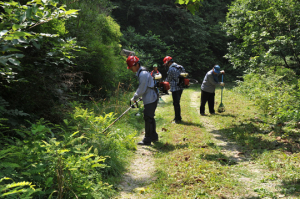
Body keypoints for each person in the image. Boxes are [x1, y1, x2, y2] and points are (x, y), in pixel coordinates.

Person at [126, 55, 159, 145]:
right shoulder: (142, 72)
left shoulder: (143, 74)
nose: (131, 69)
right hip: (150, 97)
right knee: (150, 117)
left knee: (148, 118)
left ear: (136, 65)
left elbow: (141, 89)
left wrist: (134, 97)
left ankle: (147, 140)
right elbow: (144, 88)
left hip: (150, 98)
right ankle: (154, 136)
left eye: (131, 67)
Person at [163, 56, 184, 124]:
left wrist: (163, 82)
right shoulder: (180, 67)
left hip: (175, 88)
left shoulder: (171, 69)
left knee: (176, 103)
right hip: (181, 87)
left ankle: (177, 119)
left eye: (166, 64)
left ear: (168, 62)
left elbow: (168, 79)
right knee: (177, 103)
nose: (166, 65)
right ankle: (177, 117)